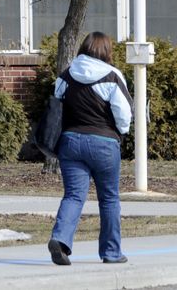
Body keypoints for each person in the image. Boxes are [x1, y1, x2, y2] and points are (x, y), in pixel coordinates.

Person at [47, 31, 133, 266]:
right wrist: (121, 132)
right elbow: (124, 114)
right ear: (106, 51)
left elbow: (56, 109)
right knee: (109, 199)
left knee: (74, 195)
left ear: (83, 48)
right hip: (104, 143)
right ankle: (111, 253)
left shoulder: (65, 76)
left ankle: (60, 240)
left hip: (71, 142)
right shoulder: (113, 76)